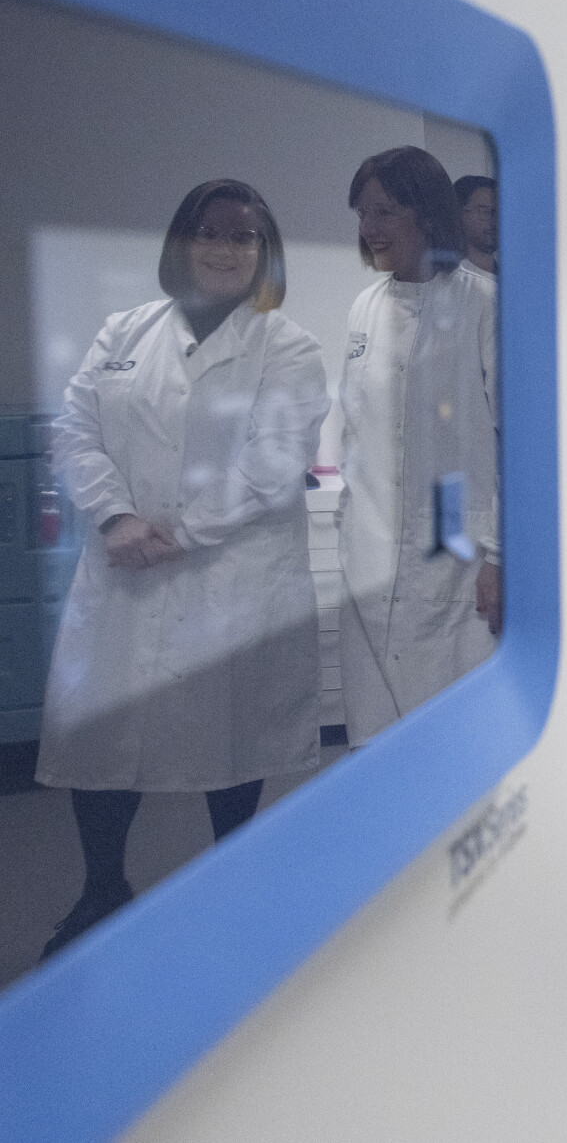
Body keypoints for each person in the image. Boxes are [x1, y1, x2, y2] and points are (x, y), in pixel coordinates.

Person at [36, 180, 329, 957]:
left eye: (243, 237)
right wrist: (117, 517)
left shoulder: (287, 345)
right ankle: (103, 889)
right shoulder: (123, 332)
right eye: (209, 232)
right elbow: (73, 432)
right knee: (102, 739)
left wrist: (180, 531)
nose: (225, 249)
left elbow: (276, 461)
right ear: (181, 242)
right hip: (124, 565)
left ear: (264, 252)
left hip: (228, 572)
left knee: (230, 738)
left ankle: (232, 893)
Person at [338, 146, 501, 747]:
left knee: (456, 746)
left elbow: (518, 442)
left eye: (382, 212)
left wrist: (500, 556)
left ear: (427, 215)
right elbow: (355, 431)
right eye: (361, 214)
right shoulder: (364, 308)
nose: (368, 230)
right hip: (371, 561)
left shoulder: (483, 303)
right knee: (376, 749)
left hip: (459, 567)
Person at [454, 174, 498, 276]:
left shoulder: (514, 279)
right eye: (487, 212)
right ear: (459, 214)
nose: (496, 221)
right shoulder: (444, 280)